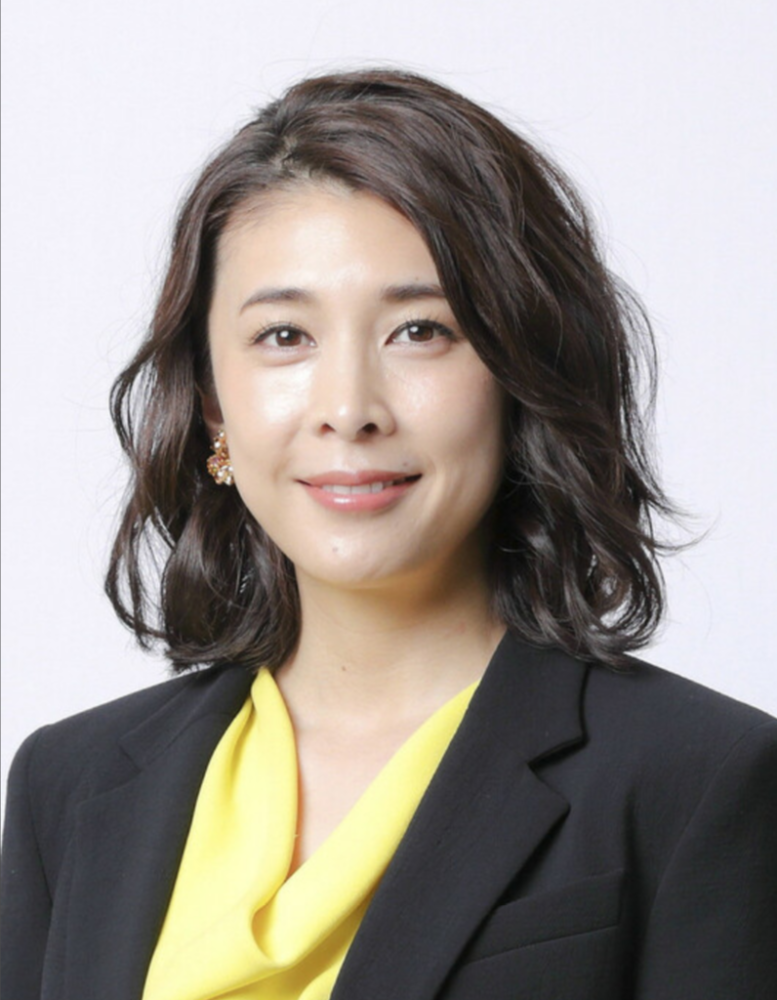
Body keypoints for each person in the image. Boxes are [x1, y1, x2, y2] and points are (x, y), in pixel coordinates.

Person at [2, 68, 775, 1000]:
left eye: (419, 331)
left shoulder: (698, 779)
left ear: (519, 372)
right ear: (212, 406)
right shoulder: (69, 784)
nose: (348, 408)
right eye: (284, 336)